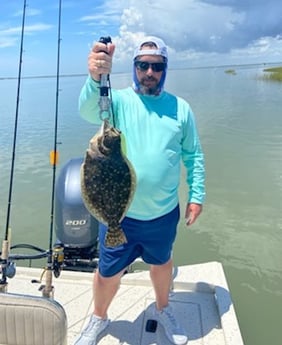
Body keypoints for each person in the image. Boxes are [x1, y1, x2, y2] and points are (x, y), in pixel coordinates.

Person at [74, 36, 205, 345]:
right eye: (143, 65)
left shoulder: (180, 109)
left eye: (157, 66)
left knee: (162, 264)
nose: (149, 72)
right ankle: (99, 318)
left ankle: (163, 309)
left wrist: (196, 195)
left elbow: (194, 155)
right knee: (107, 273)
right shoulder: (117, 101)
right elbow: (88, 110)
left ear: (165, 69)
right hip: (120, 213)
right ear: (133, 67)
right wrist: (95, 77)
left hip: (162, 213)